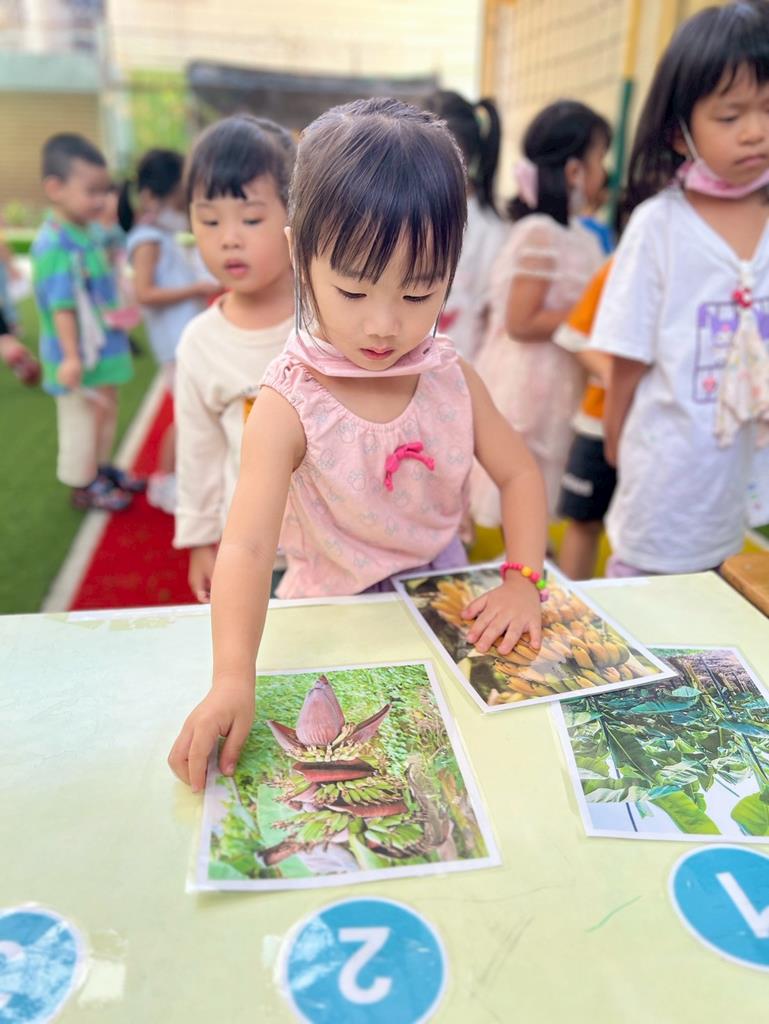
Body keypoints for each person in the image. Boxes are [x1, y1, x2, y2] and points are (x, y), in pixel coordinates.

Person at [168, 98, 548, 790]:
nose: (383, 325)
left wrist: (523, 580)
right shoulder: (289, 402)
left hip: (442, 600)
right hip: (331, 615)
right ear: (299, 255)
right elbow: (246, 549)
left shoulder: (450, 377)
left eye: (418, 294)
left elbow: (520, 473)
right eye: (351, 291)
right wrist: (231, 677)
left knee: (461, 774)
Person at [592, 0, 769, 576]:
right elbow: (627, 354)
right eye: (730, 116)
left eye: (768, 109)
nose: (756, 131)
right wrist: (614, 433)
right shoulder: (659, 227)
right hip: (667, 477)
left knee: (724, 588)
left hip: (740, 475)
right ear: (678, 132)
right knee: (648, 595)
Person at [172, 115, 296, 602]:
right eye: (209, 221)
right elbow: (198, 451)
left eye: (250, 219)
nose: (228, 238)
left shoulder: (331, 319)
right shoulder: (201, 342)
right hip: (253, 554)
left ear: (295, 216)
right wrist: (201, 539)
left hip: (341, 548)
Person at [471, 100, 610, 526]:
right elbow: (521, 321)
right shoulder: (539, 233)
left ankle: (535, 559)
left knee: (544, 495)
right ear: (574, 171)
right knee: (523, 483)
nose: (604, 172)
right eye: (599, 159)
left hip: (561, 377)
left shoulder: (581, 235)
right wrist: (583, 316)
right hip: (530, 382)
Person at [31, 133, 143, 511]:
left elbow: (110, 259)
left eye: (104, 190)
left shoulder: (88, 230)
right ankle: (83, 483)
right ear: (55, 188)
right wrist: (70, 357)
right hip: (78, 355)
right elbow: (61, 306)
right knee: (81, 419)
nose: (101, 200)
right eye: (91, 191)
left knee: (105, 409)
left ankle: (100, 467)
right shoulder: (55, 244)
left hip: (101, 345)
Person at [120, 149, 219, 513]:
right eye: (179, 200)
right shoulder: (148, 239)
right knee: (188, 417)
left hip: (183, 339)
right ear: (151, 197)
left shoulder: (160, 235)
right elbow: (145, 293)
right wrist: (196, 289)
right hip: (175, 344)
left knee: (194, 414)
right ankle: (165, 481)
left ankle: (175, 479)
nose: (183, 208)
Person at [430, 91, 509, 361]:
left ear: (465, 154)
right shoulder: (402, 210)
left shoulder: (489, 227)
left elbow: (489, 312)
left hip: (462, 362)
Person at [554, 260, 614, 578]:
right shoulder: (620, 267)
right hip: (599, 422)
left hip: (665, 432)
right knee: (583, 517)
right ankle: (571, 597)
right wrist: (620, 379)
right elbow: (574, 336)